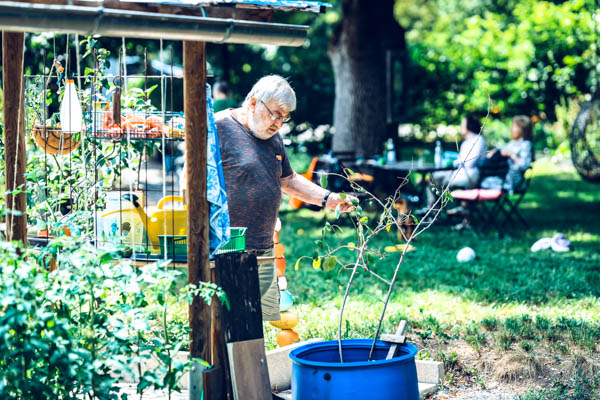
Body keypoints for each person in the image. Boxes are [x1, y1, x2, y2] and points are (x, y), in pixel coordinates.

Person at [214, 75, 356, 321]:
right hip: (228, 247)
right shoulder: (219, 127)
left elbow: (288, 180)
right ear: (253, 103)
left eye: (285, 117)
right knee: (230, 323)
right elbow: (194, 180)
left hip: (262, 246)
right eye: (275, 114)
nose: (279, 123)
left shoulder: (272, 137)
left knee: (257, 322)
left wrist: (328, 198)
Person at [425, 114, 486, 208]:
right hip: (459, 172)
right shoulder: (466, 142)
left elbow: (469, 163)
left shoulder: (478, 140)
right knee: (432, 178)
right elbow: (460, 161)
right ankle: (432, 208)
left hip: (469, 175)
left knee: (434, 179)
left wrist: (456, 162)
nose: (461, 126)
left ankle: (433, 209)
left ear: (469, 125)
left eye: (463, 124)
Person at [480, 115, 533, 193]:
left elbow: (524, 165)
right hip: (500, 175)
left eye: (514, 126)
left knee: (478, 182)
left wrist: (511, 155)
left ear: (522, 129)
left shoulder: (526, 144)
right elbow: (501, 151)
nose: (511, 129)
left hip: (510, 180)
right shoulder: (511, 143)